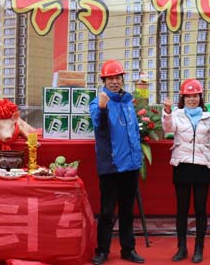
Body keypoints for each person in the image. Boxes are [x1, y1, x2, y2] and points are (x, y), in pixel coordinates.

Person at [90, 59, 145, 265]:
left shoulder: (128, 102)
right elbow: (99, 126)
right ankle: (102, 250)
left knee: (127, 211)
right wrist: (103, 108)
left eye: (117, 77)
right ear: (104, 81)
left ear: (122, 79)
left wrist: (137, 158)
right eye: (110, 78)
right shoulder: (98, 103)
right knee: (107, 212)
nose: (114, 82)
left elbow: (134, 132)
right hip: (111, 166)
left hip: (130, 165)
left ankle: (128, 249)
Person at [163, 79, 210, 263]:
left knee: (201, 210)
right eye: (188, 96)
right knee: (182, 209)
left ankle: (198, 248)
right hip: (182, 166)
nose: (192, 99)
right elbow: (167, 129)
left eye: (195, 96)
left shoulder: (208, 118)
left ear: (200, 97)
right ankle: (181, 248)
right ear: (183, 98)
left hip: (203, 167)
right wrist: (167, 112)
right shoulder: (177, 115)